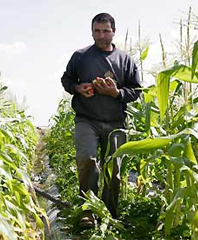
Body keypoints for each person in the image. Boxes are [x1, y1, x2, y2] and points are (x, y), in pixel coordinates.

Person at [61, 12, 142, 226]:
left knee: (113, 170)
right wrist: (78, 88)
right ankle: (88, 210)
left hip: (116, 123)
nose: (101, 35)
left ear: (113, 32)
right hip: (87, 119)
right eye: (97, 31)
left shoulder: (125, 60)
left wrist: (115, 93)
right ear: (92, 31)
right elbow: (66, 80)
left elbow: (136, 90)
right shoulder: (80, 56)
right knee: (87, 159)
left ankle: (108, 213)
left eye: (105, 31)